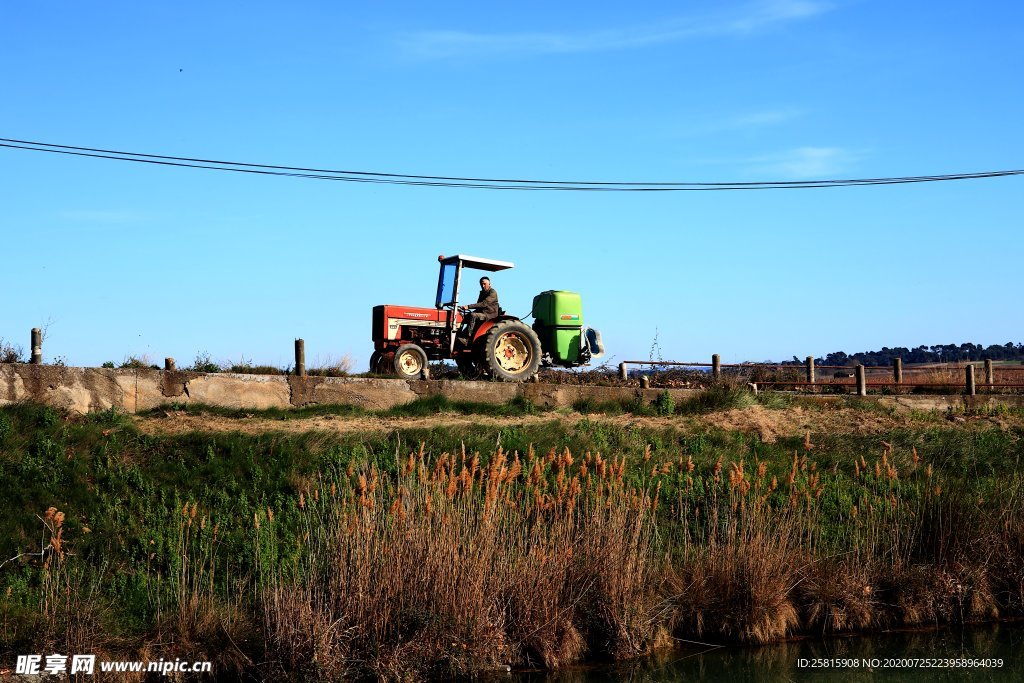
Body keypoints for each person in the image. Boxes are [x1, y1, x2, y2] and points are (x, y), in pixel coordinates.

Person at [459, 277, 499, 341]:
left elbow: (483, 304)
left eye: (484, 284)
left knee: (473, 315)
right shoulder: (482, 293)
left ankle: (467, 338)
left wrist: (468, 307)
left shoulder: (492, 292)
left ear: (489, 283)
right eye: (481, 284)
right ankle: (459, 334)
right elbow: (478, 306)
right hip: (483, 312)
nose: (483, 286)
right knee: (465, 316)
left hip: (489, 315)